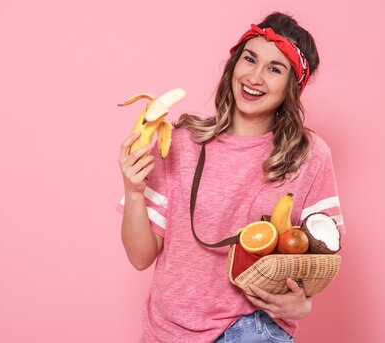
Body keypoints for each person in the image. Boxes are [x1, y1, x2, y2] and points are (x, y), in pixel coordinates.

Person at [117, 11, 345, 343]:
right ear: (234, 64)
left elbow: (326, 254)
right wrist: (133, 192)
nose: (255, 77)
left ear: (291, 87)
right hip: (167, 330)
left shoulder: (309, 155)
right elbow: (140, 257)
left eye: (274, 69)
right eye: (249, 59)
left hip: (254, 329)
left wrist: (303, 303)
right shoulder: (179, 141)